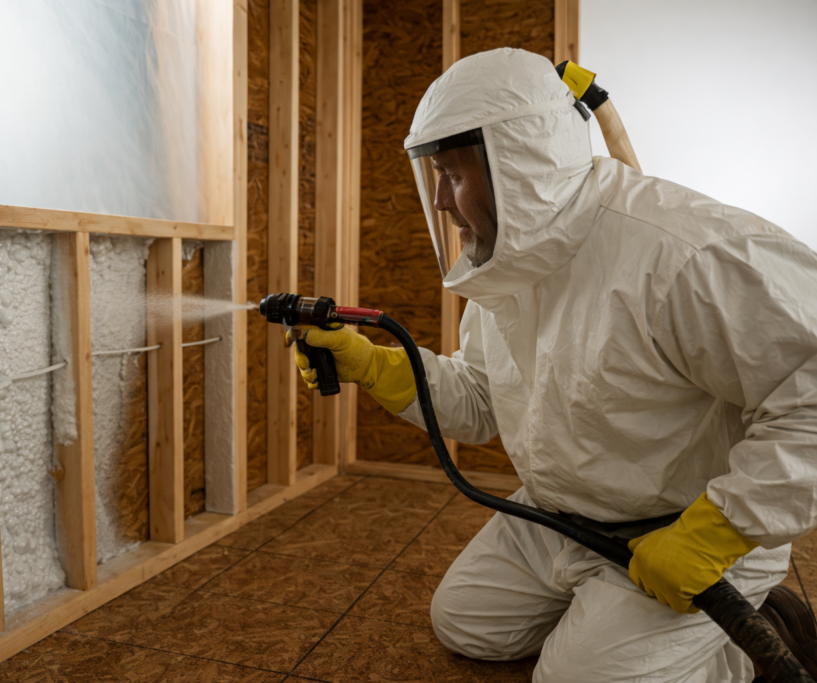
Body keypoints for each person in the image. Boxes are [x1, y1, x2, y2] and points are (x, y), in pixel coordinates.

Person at [291, 48, 817, 681]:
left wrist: (717, 532)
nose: (438, 200)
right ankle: (612, 618)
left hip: (689, 529)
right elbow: (484, 400)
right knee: (466, 623)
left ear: (518, 166)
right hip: (562, 512)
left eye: (453, 176)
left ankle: (746, 634)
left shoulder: (686, 254)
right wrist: (371, 365)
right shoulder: (509, 264)